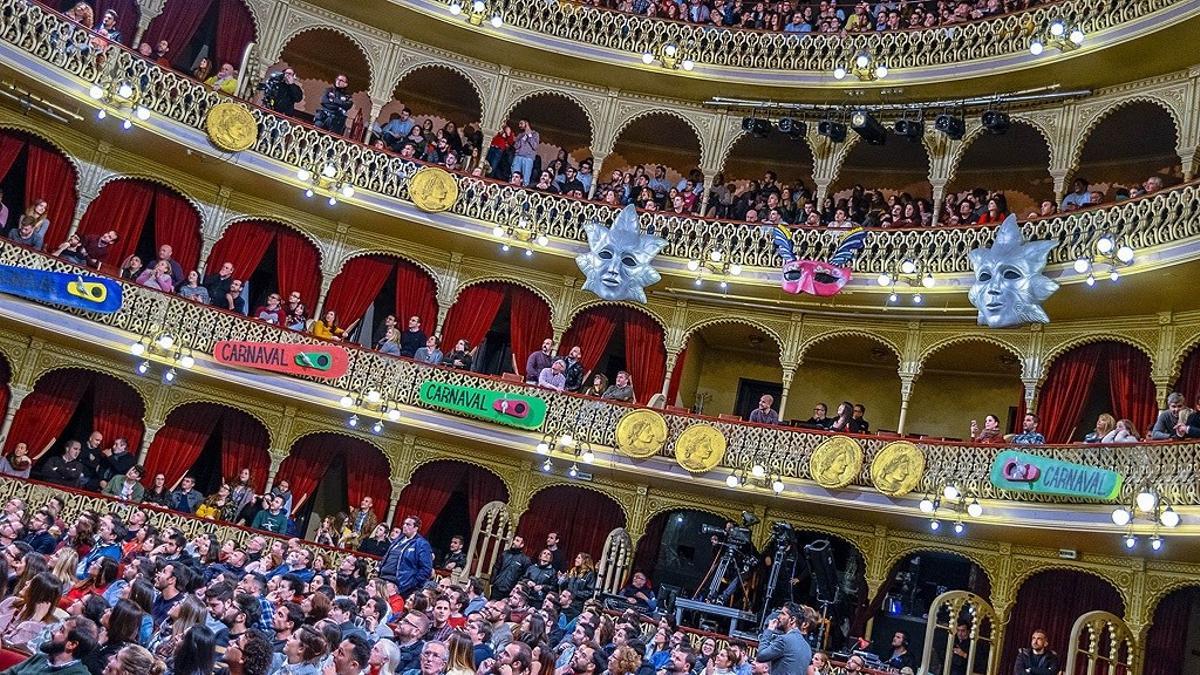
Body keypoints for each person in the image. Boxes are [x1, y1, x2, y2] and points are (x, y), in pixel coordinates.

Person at [0, 615, 98, 675]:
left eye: (61, 631)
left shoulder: (78, 674)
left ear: (71, 644)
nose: (53, 632)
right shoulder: (40, 657)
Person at [379, 515, 433, 599]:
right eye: (404, 524)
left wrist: (409, 585)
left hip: (400, 585)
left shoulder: (421, 544)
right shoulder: (399, 539)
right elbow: (387, 556)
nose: (404, 526)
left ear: (416, 528)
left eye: (408, 524)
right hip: (383, 578)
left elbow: (426, 570)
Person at [755, 603, 811, 675]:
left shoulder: (784, 640)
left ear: (792, 619)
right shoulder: (807, 647)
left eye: (783, 614)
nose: (778, 616)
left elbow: (761, 656)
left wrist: (769, 630)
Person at [511, 119, 540, 185]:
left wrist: (529, 136)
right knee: (514, 175)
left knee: (525, 179)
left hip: (528, 158)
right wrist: (522, 139)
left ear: (526, 123)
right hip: (518, 156)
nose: (519, 125)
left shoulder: (535, 134)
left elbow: (535, 146)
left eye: (521, 123)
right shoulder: (520, 135)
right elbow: (516, 146)